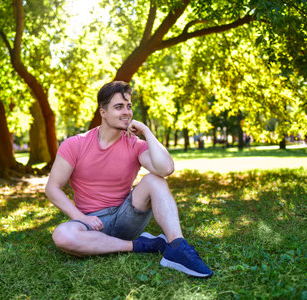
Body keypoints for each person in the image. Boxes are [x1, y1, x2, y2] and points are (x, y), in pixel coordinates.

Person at [45, 81, 213, 278]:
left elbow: (166, 168)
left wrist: (147, 132)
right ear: (103, 112)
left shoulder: (135, 144)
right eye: (118, 107)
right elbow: (52, 188)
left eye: (129, 106)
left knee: (155, 180)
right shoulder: (75, 144)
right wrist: (81, 218)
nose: (126, 112)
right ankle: (142, 245)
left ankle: (177, 246)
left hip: (126, 217)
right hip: (91, 222)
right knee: (62, 235)